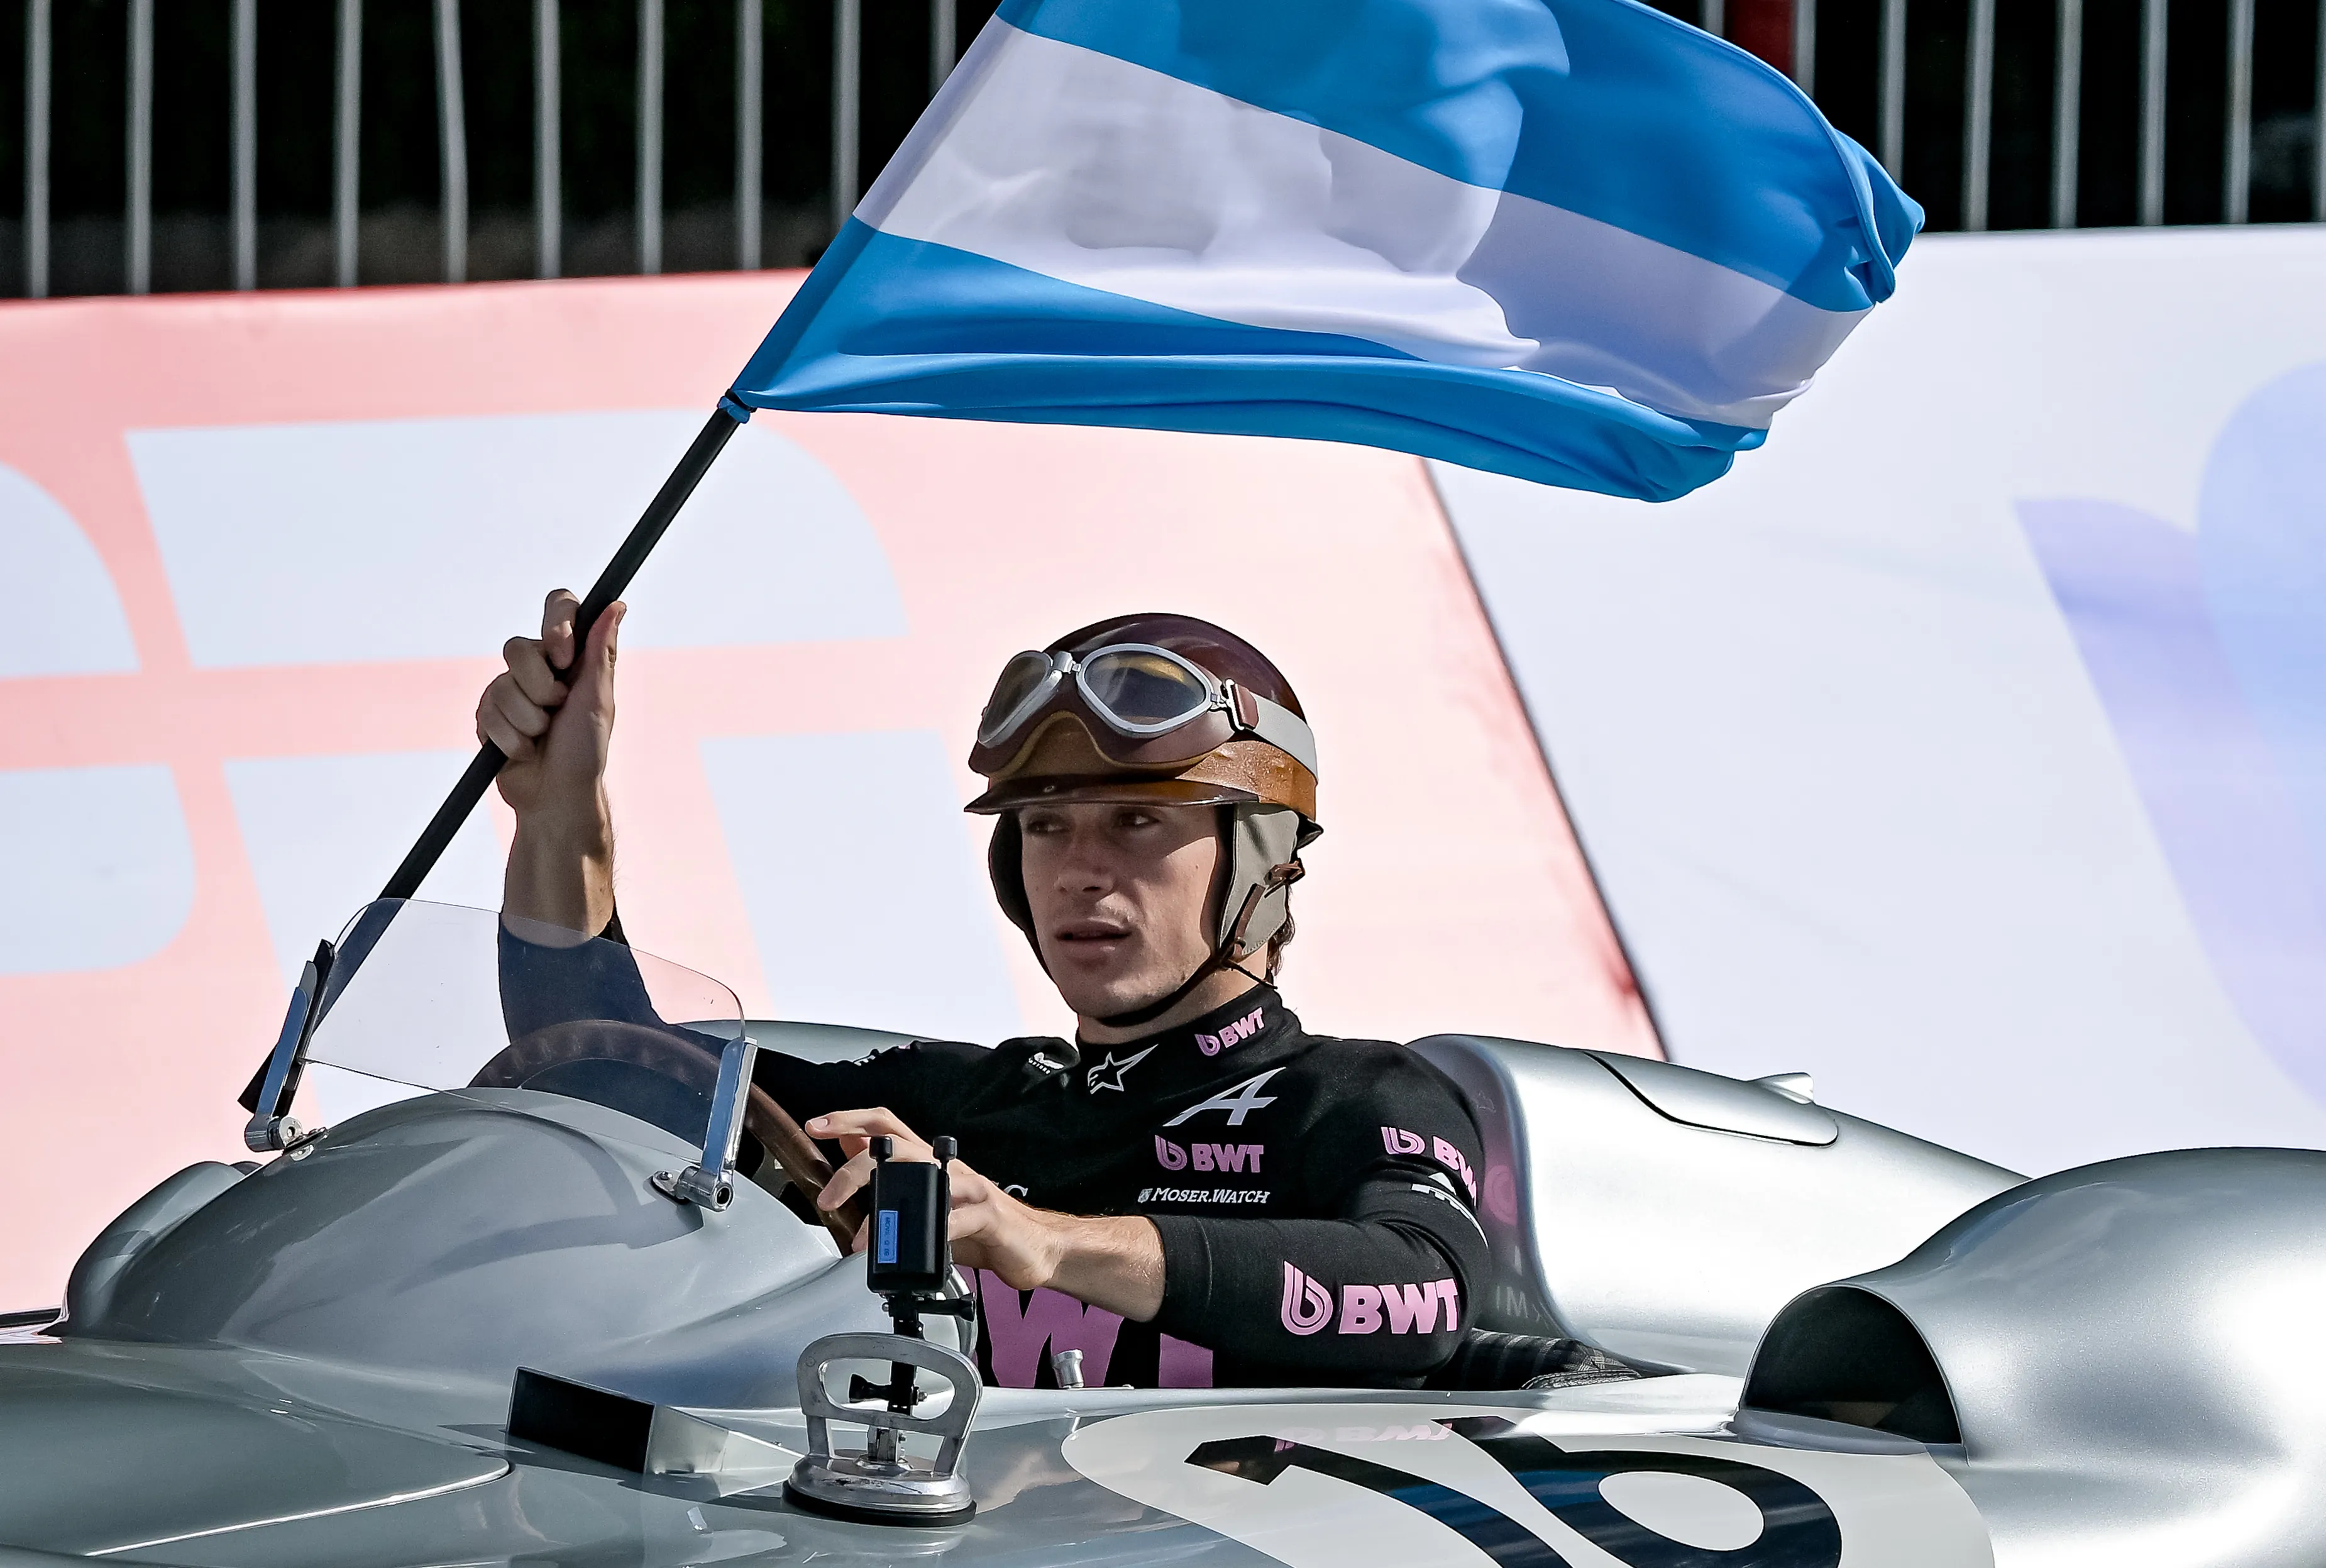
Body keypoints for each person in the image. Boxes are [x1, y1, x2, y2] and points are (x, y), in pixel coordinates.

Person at [479, 591, 1492, 1389]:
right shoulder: (955, 1112)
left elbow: (1422, 1291)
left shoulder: (1361, 1097)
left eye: (1135, 822)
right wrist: (559, 808)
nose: (1078, 870)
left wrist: (1039, 1237)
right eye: (1046, 826)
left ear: (1261, 856)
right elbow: (594, 1052)